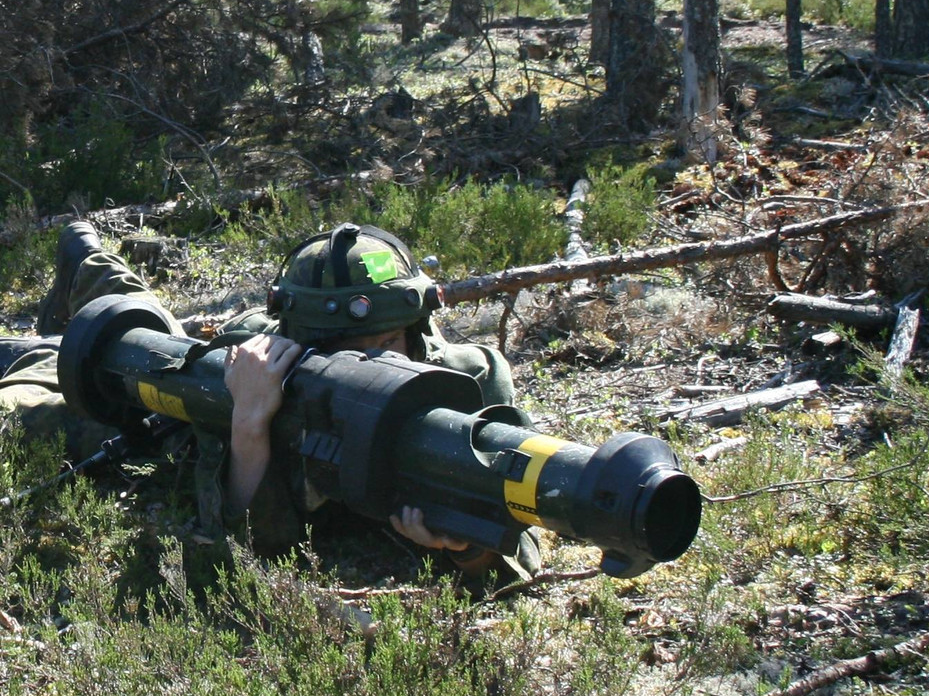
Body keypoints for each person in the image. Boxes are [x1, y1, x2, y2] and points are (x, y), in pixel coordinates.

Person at [0, 220, 540, 582]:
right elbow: (228, 541)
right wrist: (249, 425)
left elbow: (523, 537)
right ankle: (85, 260)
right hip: (170, 417)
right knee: (43, 397)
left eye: (385, 345)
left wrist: (467, 549)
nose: (369, 367)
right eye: (340, 353)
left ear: (418, 326)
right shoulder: (257, 363)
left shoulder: (467, 382)